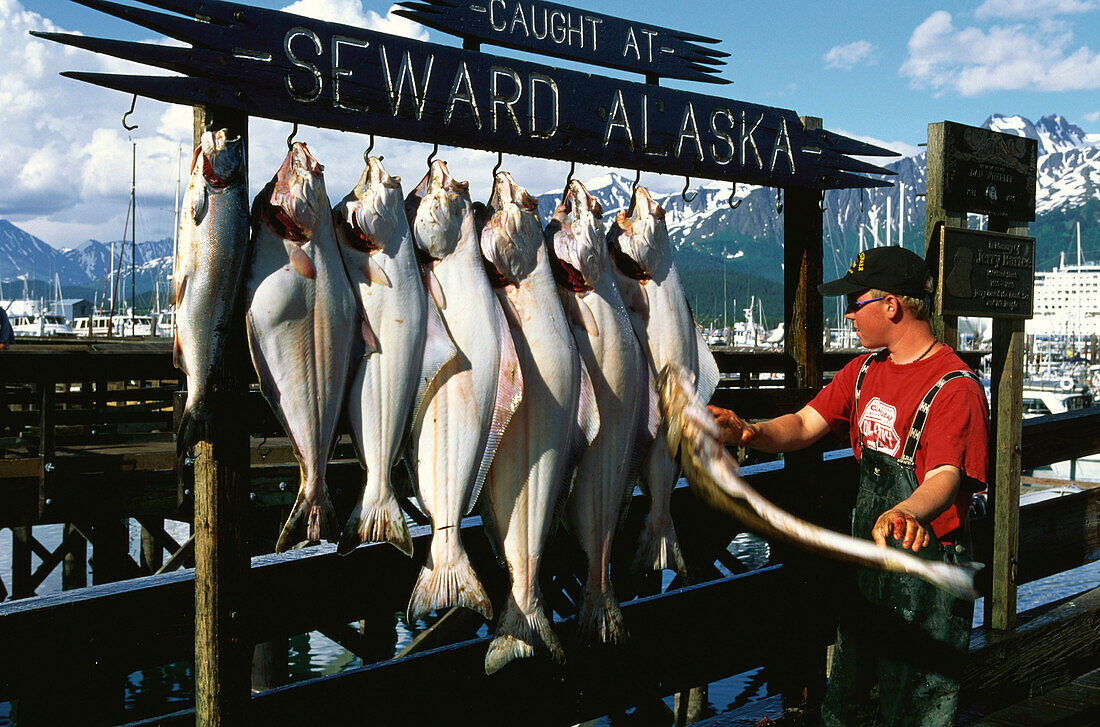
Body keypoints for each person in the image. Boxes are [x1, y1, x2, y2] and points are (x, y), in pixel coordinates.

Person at [708, 246, 989, 727]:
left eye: (855, 302)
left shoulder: (954, 386)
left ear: (891, 306)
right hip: (868, 574)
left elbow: (945, 476)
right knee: (846, 706)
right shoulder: (861, 374)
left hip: (927, 580)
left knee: (918, 713)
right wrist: (750, 431)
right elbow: (801, 424)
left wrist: (909, 512)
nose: (849, 314)